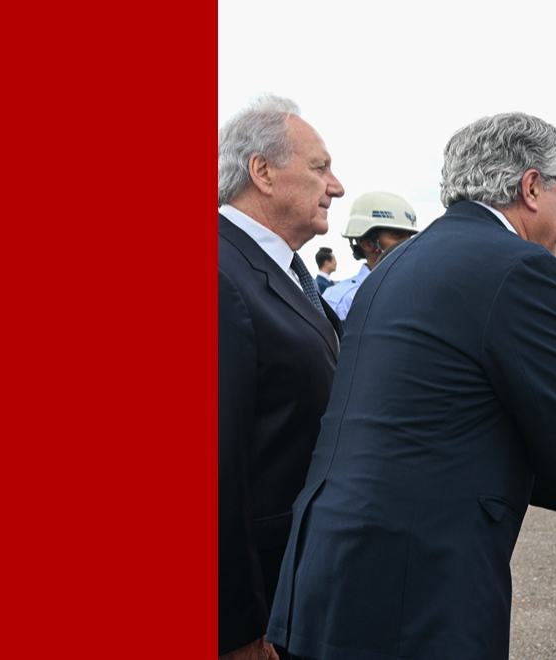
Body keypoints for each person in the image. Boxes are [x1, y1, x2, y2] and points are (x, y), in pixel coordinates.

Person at [265, 112, 556, 660]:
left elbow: (446, 416)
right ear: (532, 187)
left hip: (325, 574)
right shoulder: (524, 269)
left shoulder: (397, 264)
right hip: (414, 589)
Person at [218, 94, 345, 660]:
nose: (336, 186)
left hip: (295, 584)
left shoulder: (280, 270)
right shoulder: (220, 273)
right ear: (262, 173)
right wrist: (234, 626)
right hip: (257, 606)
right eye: (319, 167)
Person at [320, 191, 420, 321]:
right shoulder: (341, 299)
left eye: (410, 236)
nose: (408, 243)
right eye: (397, 235)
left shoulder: (415, 291)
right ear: (367, 243)